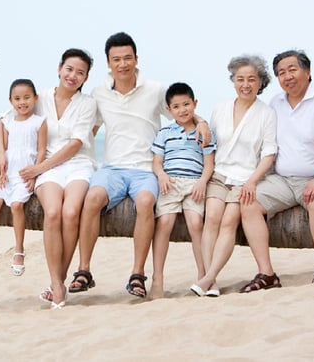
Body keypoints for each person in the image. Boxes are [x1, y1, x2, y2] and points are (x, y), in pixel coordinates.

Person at [68, 32, 211, 298]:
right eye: (116, 59)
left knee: (145, 202)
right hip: (112, 168)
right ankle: (84, 269)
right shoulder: (99, 93)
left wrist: (201, 122)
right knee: (92, 198)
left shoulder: (155, 90)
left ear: (136, 59)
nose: (122, 64)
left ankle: (137, 274)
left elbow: (181, 112)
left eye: (127, 58)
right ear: (108, 63)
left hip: (146, 169)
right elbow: (91, 129)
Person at [239, 49, 314, 292]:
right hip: (283, 180)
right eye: (281, 73)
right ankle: (267, 274)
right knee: (249, 203)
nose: (287, 76)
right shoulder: (275, 102)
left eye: (292, 69)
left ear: (307, 72)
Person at [189, 55, 277, 297]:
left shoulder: (266, 113)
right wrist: (201, 122)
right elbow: (208, 139)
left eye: (251, 79)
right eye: (240, 79)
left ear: (261, 82)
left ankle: (207, 278)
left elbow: (269, 154)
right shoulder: (221, 109)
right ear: (233, 81)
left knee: (229, 222)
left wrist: (252, 181)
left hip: (246, 179)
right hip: (219, 175)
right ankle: (212, 282)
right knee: (212, 219)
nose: (245, 84)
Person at [18, 48, 97, 309]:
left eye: (80, 72)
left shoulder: (87, 104)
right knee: (52, 212)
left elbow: (76, 145)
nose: (73, 75)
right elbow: (11, 119)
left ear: (85, 78)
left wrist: (38, 169)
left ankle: (57, 285)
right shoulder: (39, 98)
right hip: (48, 168)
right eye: (70, 69)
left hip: (78, 165)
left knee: (71, 212)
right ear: (60, 69)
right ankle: (57, 283)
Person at [150, 82, 216, 299]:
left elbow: (209, 164)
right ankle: (157, 279)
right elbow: (157, 162)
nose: (182, 110)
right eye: (176, 106)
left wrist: (202, 182)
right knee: (165, 223)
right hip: (170, 183)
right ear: (169, 110)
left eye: (186, 104)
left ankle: (204, 275)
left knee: (196, 224)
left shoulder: (204, 132)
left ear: (195, 103)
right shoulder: (165, 132)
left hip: (194, 184)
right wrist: (161, 175)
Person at [0, 79, 47, 277]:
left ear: (35, 98)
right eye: (17, 99)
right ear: (10, 101)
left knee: (17, 205)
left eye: (26, 97)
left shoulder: (39, 122)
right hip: (6, 171)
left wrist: (35, 173)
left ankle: (19, 251)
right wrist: (0, 161)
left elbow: (42, 151)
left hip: (25, 172)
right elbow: (3, 144)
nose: (22, 102)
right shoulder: (6, 122)